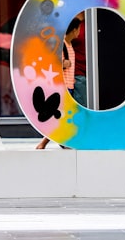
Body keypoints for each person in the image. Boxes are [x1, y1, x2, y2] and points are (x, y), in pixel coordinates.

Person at [36, 15, 81, 150]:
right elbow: (53, 63)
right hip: (63, 87)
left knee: (63, 115)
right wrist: (64, 63)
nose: (80, 32)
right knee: (60, 115)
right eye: (79, 29)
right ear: (74, 30)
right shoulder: (61, 45)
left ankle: (60, 141)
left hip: (69, 85)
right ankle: (45, 142)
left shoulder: (69, 45)